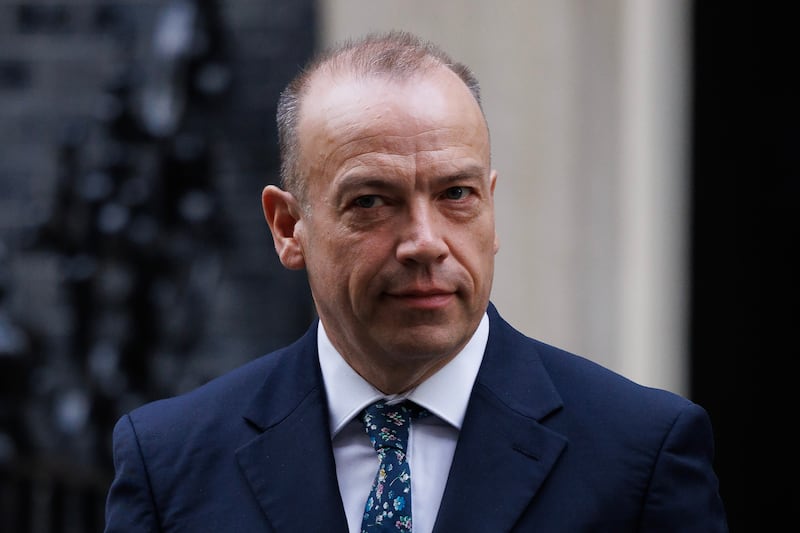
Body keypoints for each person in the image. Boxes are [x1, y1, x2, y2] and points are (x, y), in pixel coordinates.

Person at [104, 30, 728, 532]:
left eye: (456, 194)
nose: (425, 241)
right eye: (372, 202)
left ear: (491, 205)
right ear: (289, 226)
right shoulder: (172, 462)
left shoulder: (640, 454)